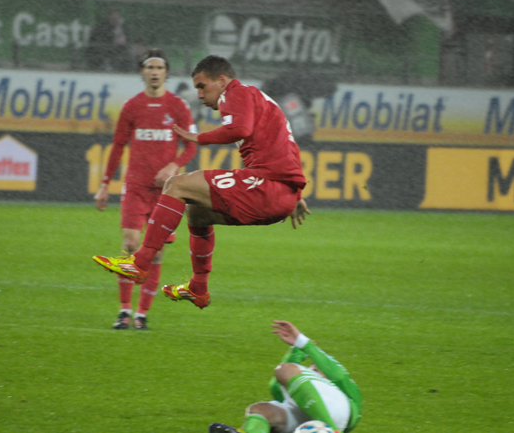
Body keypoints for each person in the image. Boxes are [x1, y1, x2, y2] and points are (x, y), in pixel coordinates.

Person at [93, 55, 310, 309]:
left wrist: (199, 138)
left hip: (266, 185)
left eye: (201, 86)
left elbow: (240, 130)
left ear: (221, 80)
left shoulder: (235, 94)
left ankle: (140, 262)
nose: (198, 94)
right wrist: (294, 195)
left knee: (177, 185)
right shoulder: (256, 98)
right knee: (196, 211)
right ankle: (198, 288)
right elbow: (284, 149)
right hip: (278, 193)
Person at [94, 48, 197, 330]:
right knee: (130, 245)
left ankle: (141, 314)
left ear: (165, 73)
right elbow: (117, 146)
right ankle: (124, 310)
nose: (154, 72)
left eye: (159, 68)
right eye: (149, 67)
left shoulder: (177, 106)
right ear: (142, 72)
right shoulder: (132, 106)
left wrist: (173, 166)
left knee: (157, 252)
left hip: (165, 193)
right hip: (135, 188)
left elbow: (191, 145)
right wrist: (104, 185)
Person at [209, 320, 362, 433]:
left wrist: (303, 344)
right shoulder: (301, 392)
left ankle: (332, 430)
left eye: (316, 371)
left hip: (336, 415)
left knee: (285, 369)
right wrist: (295, 352)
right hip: (304, 418)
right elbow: (275, 386)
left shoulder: (339, 387)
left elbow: (339, 375)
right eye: (311, 370)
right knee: (261, 409)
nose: (313, 372)